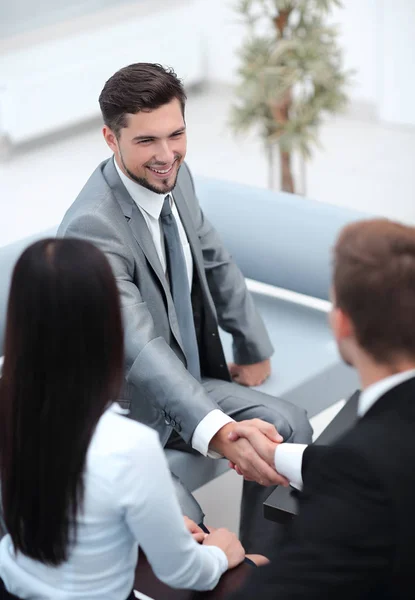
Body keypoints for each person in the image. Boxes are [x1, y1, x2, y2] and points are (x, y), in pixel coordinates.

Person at [57, 62, 312, 554]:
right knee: (188, 526)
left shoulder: (177, 176)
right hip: (129, 413)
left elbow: (213, 257)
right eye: (147, 141)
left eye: (176, 135)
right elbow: (141, 348)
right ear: (111, 139)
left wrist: (252, 343)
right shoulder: (93, 227)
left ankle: (264, 569)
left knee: (291, 427)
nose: (166, 154)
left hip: (191, 378)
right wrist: (220, 431)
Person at [0, 238, 254, 600]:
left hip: (12, 584)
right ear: (107, 324)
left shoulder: (14, 407)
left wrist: (145, 526)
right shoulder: (126, 445)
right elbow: (183, 572)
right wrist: (220, 550)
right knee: (256, 563)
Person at [227, 219, 415, 599]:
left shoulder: (360, 478)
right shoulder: (376, 452)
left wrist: (232, 561)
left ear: (342, 323)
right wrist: (278, 456)